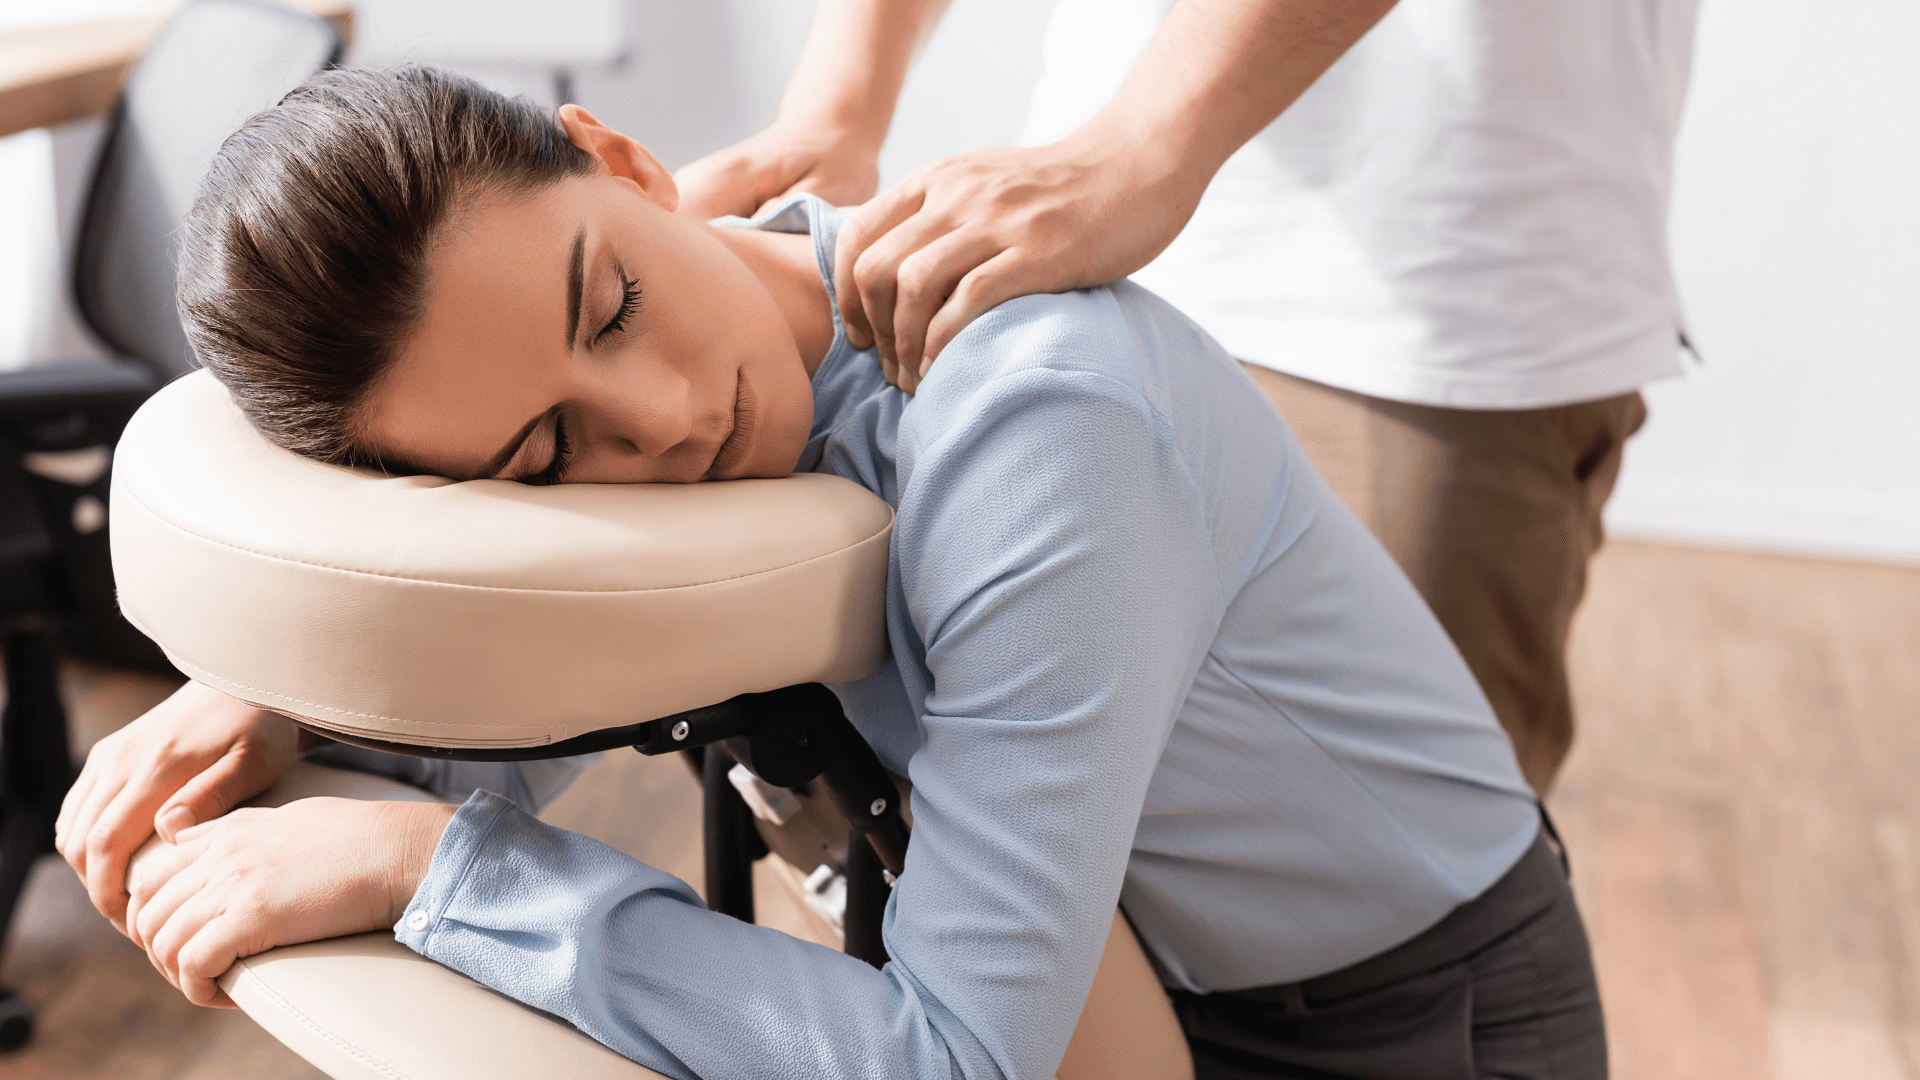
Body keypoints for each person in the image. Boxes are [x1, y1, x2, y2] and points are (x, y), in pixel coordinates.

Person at [60, 67, 1604, 1079]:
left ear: (625, 160)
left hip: (1410, 1024)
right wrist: (303, 698)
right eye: (541, 459)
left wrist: (437, 869)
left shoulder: (1031, 423)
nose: (665, 422)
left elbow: (951, 1062)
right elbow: (573, 634)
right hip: (1128, 973)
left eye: (611, 308)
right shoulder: (683, 421)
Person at [677, 0, 1699, 793]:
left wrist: (1142, 151)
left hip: (1419, 290)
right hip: (1064, 259)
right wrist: (840, 102)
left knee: (1341, 927)